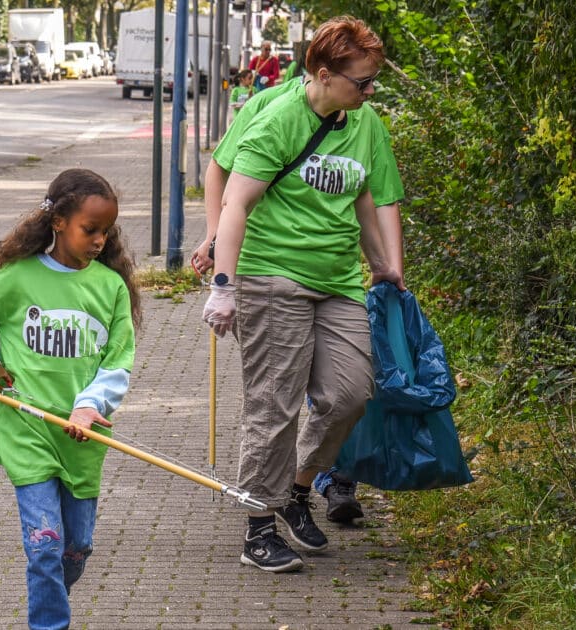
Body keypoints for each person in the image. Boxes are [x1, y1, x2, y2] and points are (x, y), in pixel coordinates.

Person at [198, 16, 404, 573]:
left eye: (371, 82)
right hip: (272, 275)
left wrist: (384, 266)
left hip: (336, 279)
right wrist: (223, 283)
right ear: (322, 74)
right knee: (274, 404)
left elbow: (367, 198)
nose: (369, 92)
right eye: (361, 82)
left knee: (351, 393)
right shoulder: (278, 118)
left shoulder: (363, 123)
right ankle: (259, 527)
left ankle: (295, 485)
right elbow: (235, 199)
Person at [0, 168, 140, 630]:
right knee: (44, 545)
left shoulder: (110, 287)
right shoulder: (19, 277)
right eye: (90, 229)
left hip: (82, 436)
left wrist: (90, 406)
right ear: (58, 221)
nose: (99, 240)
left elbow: (118, 361)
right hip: (27, 427)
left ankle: (53, 591)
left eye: (106, 231)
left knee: (74, 549)